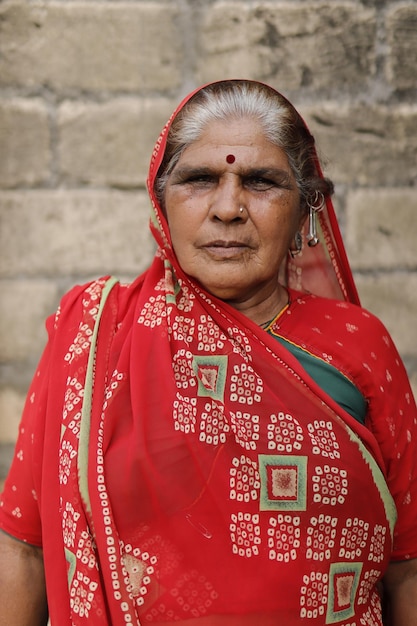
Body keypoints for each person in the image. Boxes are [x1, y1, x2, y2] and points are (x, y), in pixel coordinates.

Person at [0, 79, 416, 626]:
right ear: (161, 201)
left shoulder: (357, 343)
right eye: (199, 179)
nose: (228, 208)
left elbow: (406, 563)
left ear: (304, 211)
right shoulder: (99, 335)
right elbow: (22, 548)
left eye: (261, 182)